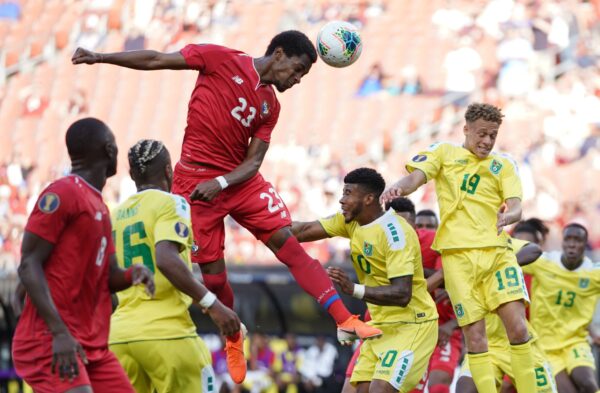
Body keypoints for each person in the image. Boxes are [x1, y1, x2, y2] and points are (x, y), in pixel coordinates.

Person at [72, 30, 380, 383]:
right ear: (278, 54)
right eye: (296, 70)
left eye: (302, 76)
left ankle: (345, 319)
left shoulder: (271, 106)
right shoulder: (220, 60)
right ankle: (234, 337)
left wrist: (221, 182)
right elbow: (157, 59)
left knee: (287, 244)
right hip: (194, 184)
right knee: (215, 278)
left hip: (237, 181)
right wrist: (100, 56)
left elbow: (253, 164)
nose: (296, 80)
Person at [381, 102, 535, 393]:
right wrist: (399, 187)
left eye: (493, 135)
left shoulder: (503, 164)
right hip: (457, 260)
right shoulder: (443, 152)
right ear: (465, 129)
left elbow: (516, 205)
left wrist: (509, 215)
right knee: (476, 339)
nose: (487, 141)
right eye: (481, 134)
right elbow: (416, 177)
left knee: (518, 328)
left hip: (496, 254)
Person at [12, 118, 155, 393]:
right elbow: (28, 264)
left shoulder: (99, 205)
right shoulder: (62, 193)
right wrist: (59, 332)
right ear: (109, 150)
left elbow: (108, 276)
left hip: (90, 346)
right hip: (51, 341)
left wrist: (130, 274)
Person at [109, 139, 242, 392]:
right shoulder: (172, 203)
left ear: (131, 175)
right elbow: (166, 259)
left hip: (119, 337)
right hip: (167, 333)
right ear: (170, 170)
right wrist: (213, 304)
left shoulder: (114, 214)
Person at [293, 168, 438, 392]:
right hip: (378, 326)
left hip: (412, 325)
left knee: (379, 390)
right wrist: (256, 219)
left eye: (348, 193)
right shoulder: (350, 222)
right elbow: (302, 231)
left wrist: (354, 289)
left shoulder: (395, 233)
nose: (341, 199)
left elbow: (402, 294)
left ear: (369, 198)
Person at [455, 235, 557, 393]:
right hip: (486, 346)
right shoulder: (460, 247)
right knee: (465, 390)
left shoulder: (500, 240)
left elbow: (534, 250)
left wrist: (501, 267)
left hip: (519, 343)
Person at [388, 197, 461, 393]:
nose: (425, 229)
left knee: (438, 383)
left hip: (445, 331)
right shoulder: (397, 247)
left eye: (430, 226)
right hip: (412, 332)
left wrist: (452, 324)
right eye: (420, 225)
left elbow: (465, 290)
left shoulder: (446, 250)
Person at [521, 223, 600, 393]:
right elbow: (510, 260)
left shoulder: (593, 273)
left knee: (588, 384)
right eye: (568, 239)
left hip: (575, 343)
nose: (572, 244)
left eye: (577, 240)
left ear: (585, 244)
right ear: (563, 242)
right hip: (545, 347)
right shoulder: (544, 263)